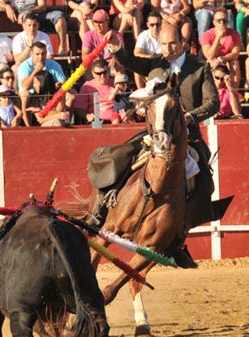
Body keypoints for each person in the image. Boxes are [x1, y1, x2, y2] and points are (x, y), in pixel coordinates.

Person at [106, 23, 220, 267]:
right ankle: (103, 207)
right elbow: (129, 61)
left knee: (202, 185)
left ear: (182, 43)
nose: (167, 49)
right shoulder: (154, 63)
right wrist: (116, 46)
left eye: (172, 44)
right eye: (164, 44)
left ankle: (178, 235)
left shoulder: (199, 68)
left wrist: (191, 117)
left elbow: (213, 103)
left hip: (188, 138)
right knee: (121, 159)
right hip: (156, 134)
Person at [17, 42, 67, 126]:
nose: (40, 57)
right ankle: (28, 127)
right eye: (37, 54)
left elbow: (64, 83)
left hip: (49, 92)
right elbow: (25, 86)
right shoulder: (24, 66)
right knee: (25, 95)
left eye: (43, 54)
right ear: (31, 54)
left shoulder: (53, 64)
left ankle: (68, 120)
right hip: (33, 95)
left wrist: (57, 85)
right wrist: (35, 70)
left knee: (70, 95)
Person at [0, 0, 68, 55]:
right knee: (27, 20)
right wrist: (7, 6)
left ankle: (62, 47)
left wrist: (28, 11)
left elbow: (42, 6)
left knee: (60, 16)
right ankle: (32, 51)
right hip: (24, 18)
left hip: (39, 15)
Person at [200, 7, 242, 89]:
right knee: (210, 63)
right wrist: (218, 37)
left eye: (224, 21)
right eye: (219, 21)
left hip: (226, 61)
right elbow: (209, 55)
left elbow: (235, 54)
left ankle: (234, 91)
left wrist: (221, 59)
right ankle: (213, 92)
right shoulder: (206, 35)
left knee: (235, 64)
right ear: (214, 22)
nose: (222, 23)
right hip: (213, 62)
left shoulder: (234, 34)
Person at [75, 59, 120, 124]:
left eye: (105, 72)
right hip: (96, 121)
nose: (102, 76)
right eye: (98, 74)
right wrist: (87, 116)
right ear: (93, 73)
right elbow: (79, 109)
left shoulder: (116, 83)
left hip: (116, 120)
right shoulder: (87, 86)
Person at [133, 11, 162, 88]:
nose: (155, 27)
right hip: (149, 64)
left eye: (157, 24)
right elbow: (137, 53)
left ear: (161, 24)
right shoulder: (144, 35)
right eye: (152, 25)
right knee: (136, 67)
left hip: (163, 65)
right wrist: (152, 57)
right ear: (148, 25)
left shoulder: (165, 34)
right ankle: (142, 94)